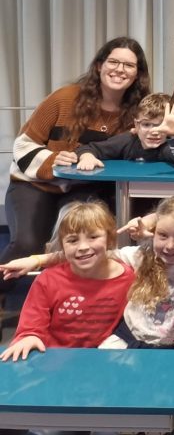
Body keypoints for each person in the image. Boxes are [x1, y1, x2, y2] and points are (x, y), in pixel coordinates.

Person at [1, 37, 149, 300]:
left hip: (83, 189)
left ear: (138, 74)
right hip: (33, 185)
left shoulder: (139, 113)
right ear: (99, 65)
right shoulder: (64, 98)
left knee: (84, 241)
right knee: (26, 243)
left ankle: (74, 302)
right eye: (113, 62)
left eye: (129, 65)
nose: (119, 69)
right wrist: (52, 161)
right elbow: (23, 145)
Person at [1, 193, 174, 350]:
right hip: (118, 342)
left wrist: (152, 219)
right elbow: (91, 254)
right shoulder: (138, 258)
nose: (170, 245)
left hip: (169, 347)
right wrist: (36, 260)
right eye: (162, 235)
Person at [0, 201, 135, 361]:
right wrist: (30, 336)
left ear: (109, 239)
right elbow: (31, 326)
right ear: (62, 246)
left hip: (105, 360)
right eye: (72, 240)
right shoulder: (48, 279)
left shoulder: (128, 278)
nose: (83, 247)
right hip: (53, 360)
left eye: (93, 237)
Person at [73, 92, 174, 170]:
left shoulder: (170, 147)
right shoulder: (127, 140)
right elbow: (90, 148)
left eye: (161, 125)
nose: (154, 131)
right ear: (136, 125)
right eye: (146, 124)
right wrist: (87, 157)